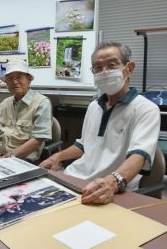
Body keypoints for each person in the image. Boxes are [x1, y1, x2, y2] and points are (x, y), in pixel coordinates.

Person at [39, 41, 160, 205]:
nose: (104, 72)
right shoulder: (94, 106)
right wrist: (57, 156)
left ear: (129, 68)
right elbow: (84, 145)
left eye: (111, 65)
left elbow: (139, 157)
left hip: (109, 188)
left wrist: (112, 182)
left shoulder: (146, 109)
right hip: (74, 179)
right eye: (97, 67)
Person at [0, 59, 52, 162]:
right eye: (10, 78)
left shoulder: (42, 103)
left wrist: (10, 156)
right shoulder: (5, 103)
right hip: (0, 155)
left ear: (29, 79)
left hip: (24, 160)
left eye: (19, 77)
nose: (14, 82)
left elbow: (37, 140)